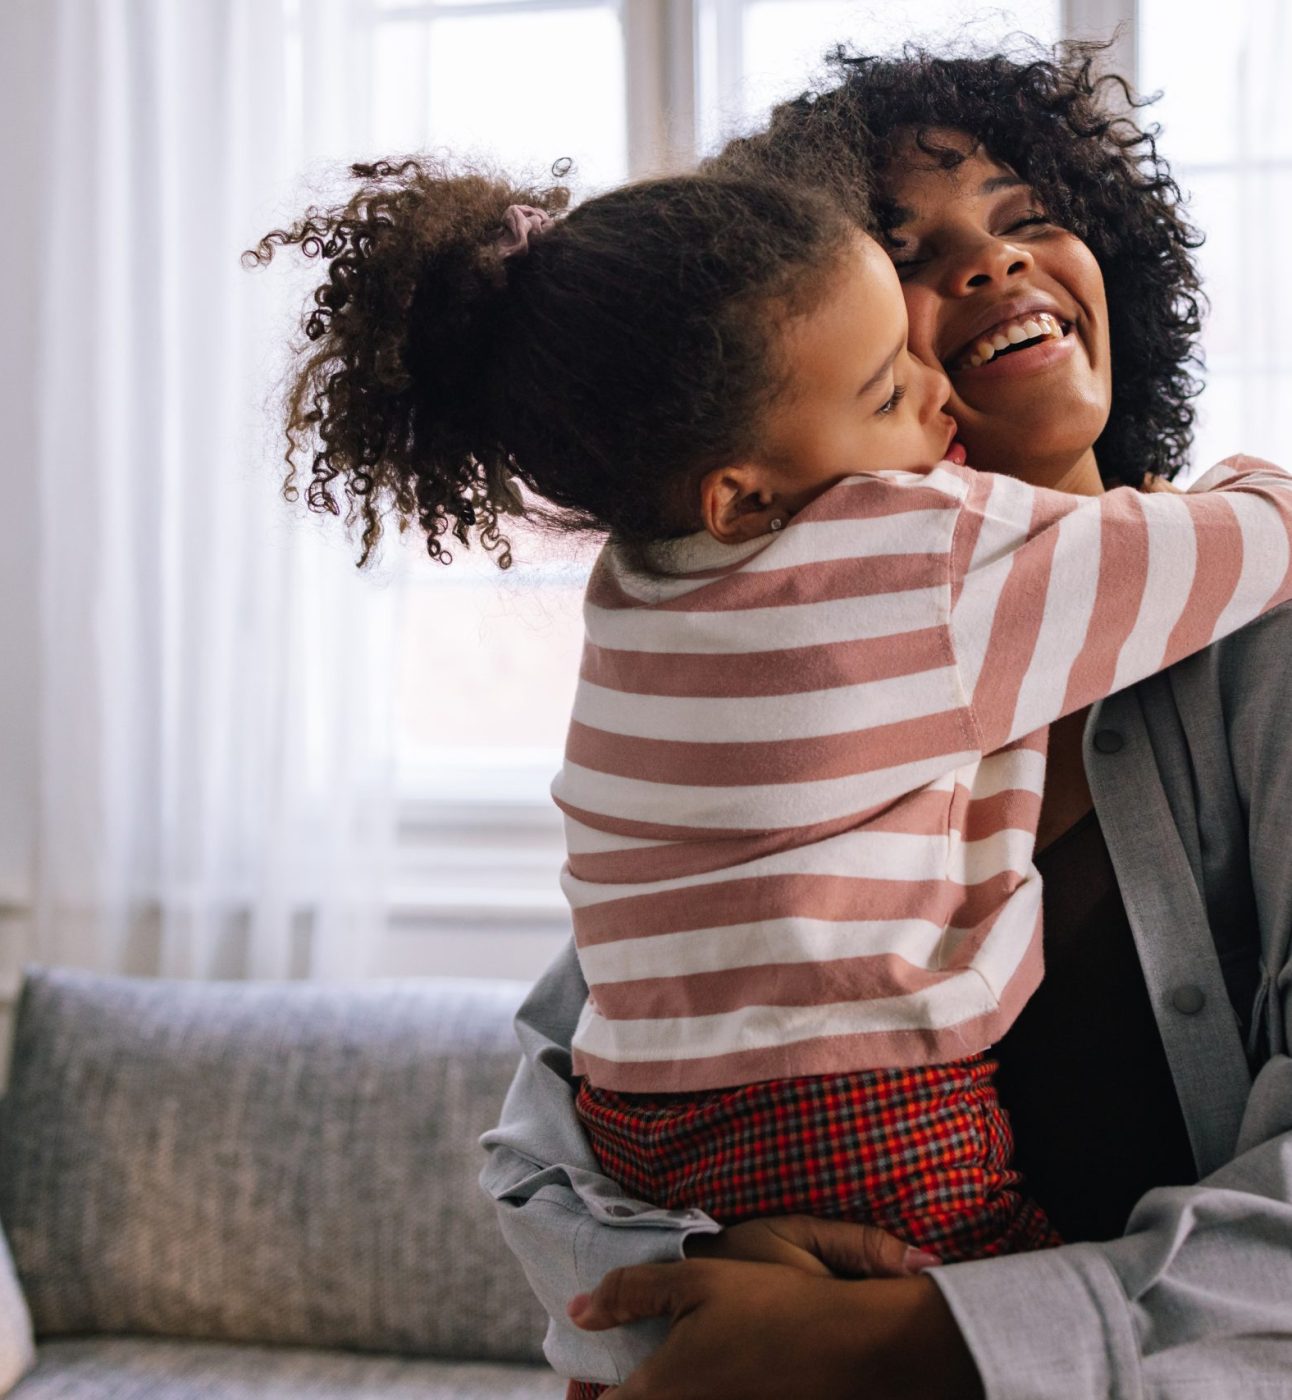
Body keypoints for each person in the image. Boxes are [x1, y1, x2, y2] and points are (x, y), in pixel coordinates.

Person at [481, 45, 1292, 1400]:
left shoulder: (1259, 652)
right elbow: (542, 1146)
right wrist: (708, 1270)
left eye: (1031, 217)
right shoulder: (749, 676)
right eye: (908, 254)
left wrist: (908, 1342)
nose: (992, 265)